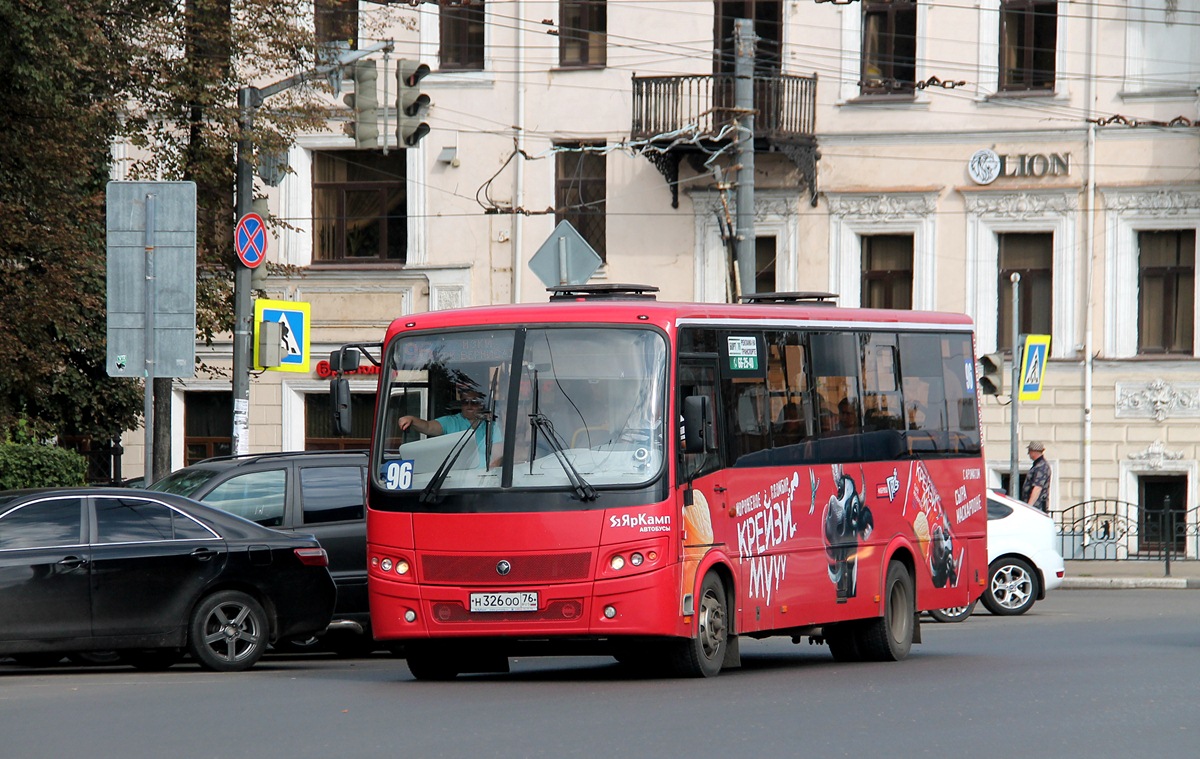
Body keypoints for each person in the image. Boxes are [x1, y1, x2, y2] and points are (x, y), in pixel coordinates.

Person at [399, 388, 500, 467]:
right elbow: (428, 427)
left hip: (483, 480)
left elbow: (497, 458)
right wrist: (411, 419)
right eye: (465, 402)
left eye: (474, 402)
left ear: (481, 405)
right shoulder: (450, 421)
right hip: (453, 479)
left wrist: (488, 476)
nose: (469, 405)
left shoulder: (492, 426)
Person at [1022, 441, 1050, 512]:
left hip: (1036, 507)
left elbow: (1037, 488)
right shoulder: (1038, 465)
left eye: (1029, 451)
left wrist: (1029, 507)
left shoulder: (1041, 466)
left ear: (1033, 451)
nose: (1028, 453)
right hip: (1035, 507)